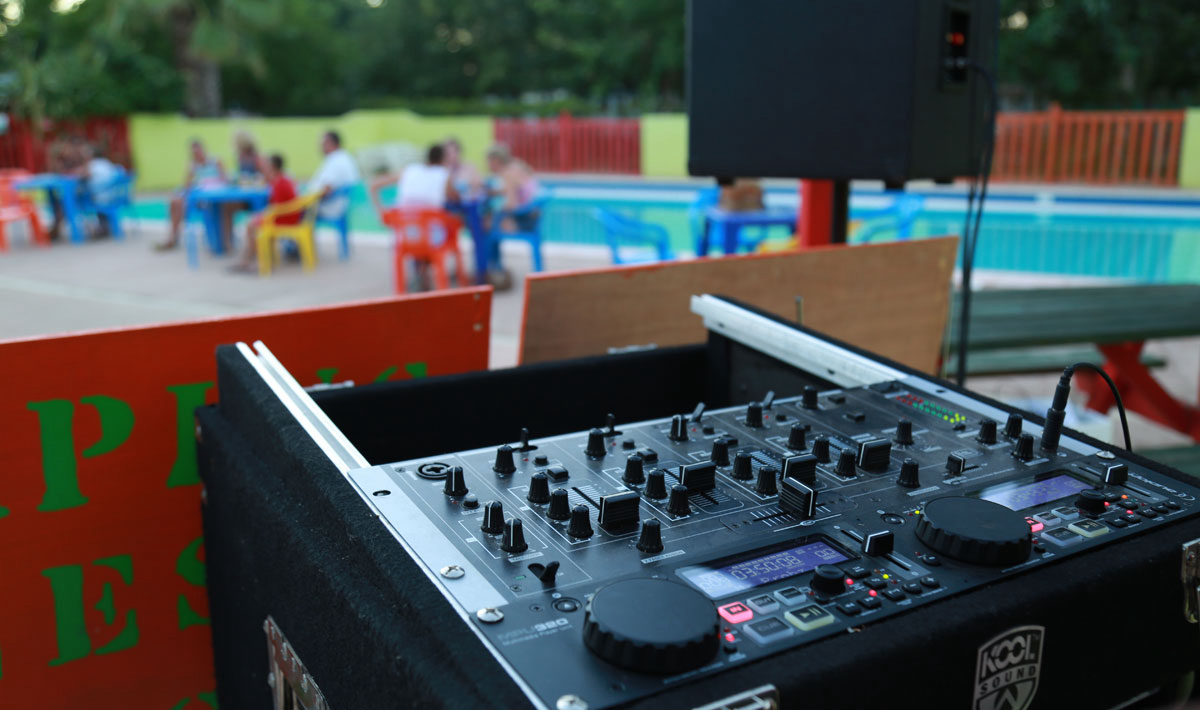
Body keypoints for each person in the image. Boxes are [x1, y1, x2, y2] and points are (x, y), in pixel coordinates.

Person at [230, 153, 301, 273]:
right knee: (252, 223)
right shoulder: (279, 179)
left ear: (272, 166)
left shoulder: (279, 182)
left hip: (285, 218)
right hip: (286, 215)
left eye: (266, 164)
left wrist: (263, 215)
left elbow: (277, 207)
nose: (263, 166)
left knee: (252, 226)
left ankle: (254, 261)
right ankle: (250, 260)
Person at [482, 143, 540, 287]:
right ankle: (496, 268)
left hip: (524, 221)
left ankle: (492, 271)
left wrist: (497, 210)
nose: (488, 165)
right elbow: (519, 191)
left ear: (496, 161)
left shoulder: (507, 173)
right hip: (533, 218)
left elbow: (512, 204)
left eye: (489, 161)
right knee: (491, 223)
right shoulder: (517, 166)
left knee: (487, 227)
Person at [157, 139, 225, 250]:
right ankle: (173, 236)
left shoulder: (215, 161)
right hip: (197, 197)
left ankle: (173, 238)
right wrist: (191, 172)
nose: (197, 154)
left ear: (203, 150)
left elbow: (224, 180)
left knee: (178, 203)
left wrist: (210, 182)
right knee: (174, 202)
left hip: (211, 197)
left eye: (198, 151)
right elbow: (187, 185)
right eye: (194, 153)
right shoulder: (193, 165)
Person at [369, 143, 458, 211]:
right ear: (443, 160)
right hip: (430, 223)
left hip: (404, 221)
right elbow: (455, 198)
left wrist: (381, 212)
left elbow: (374, 185)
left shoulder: (410, 170)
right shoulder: (443, 174)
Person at [219, 131, 263, 248]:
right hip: (246, 197)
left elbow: (263, 179)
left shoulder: (257, 158)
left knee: (255, 215)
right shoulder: (241, 158)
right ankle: (228, 243)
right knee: (226, 207)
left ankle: (254, 247)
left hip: (259, 199)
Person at [307, 130, 360, 222]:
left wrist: (310, 199)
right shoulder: (343, 157)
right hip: (339, 203)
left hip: (332, 205)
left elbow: (326, 188)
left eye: (323, 144)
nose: (320, 147)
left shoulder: (337, 160)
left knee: (297, 213)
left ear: (331, 143)